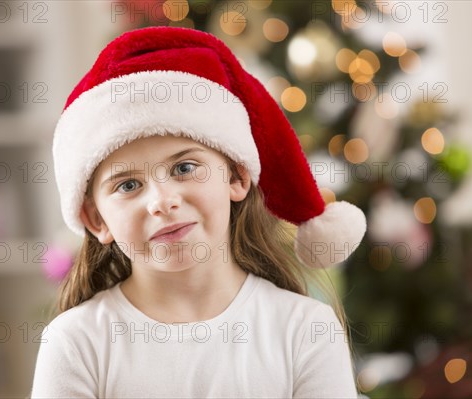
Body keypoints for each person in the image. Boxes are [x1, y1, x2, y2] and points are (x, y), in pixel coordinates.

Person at [30, 26, 366, 398]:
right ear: (96, 219)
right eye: (128, 185)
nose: (161, 201)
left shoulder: (305, 329)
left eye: (184, 168)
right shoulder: (76, 343)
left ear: (236, 176)